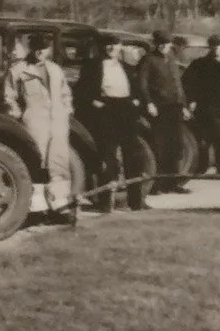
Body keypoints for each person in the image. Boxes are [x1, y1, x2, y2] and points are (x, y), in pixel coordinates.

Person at [74, 34, 149, 213]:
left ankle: (136, 202)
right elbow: (81, 92)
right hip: (106, 112)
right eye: (108, 45)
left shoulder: (126, 67)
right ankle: (105, 202)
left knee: (133, 156)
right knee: (107, 158)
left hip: (126, 111)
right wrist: (94, 102)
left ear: (120, 47)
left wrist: (135, 101)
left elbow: (137, 88)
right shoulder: (92, 66)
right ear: (102, 47)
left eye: (115, 45)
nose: (112, 48)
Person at [8, 32, 76, 223]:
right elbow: (8, 96)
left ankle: (60, 205)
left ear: (49, 49)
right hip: (35, 123)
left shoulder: (55, 70)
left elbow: (65, 93)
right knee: (37, 162)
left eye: (44, 48)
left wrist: (66, 110)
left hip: (57, 123)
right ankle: (37, 209)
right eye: (36, 48)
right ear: (31, 49)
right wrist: (19, 114)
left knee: (59, 163)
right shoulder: (19, 70)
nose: (40, 52)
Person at [183, 34, 220, 177]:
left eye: (219, 47)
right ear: (209, 48)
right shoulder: (200, 64)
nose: (216, 49)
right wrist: (192, 100)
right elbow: (187, 82)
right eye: (213, 47)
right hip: (208, 108)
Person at [138, 31, 191, 193]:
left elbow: (177, 84)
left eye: (166, 44)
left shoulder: (172, 58)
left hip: (175, 106)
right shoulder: (148, 59)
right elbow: (142, 84)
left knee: (176, 145)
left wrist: (183, 105)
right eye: (161, 44)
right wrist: (149, 103)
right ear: (156, 44)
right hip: (159, 107)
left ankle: (173, 183)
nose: (164, 47)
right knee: (160, 145)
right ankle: (157, 185)